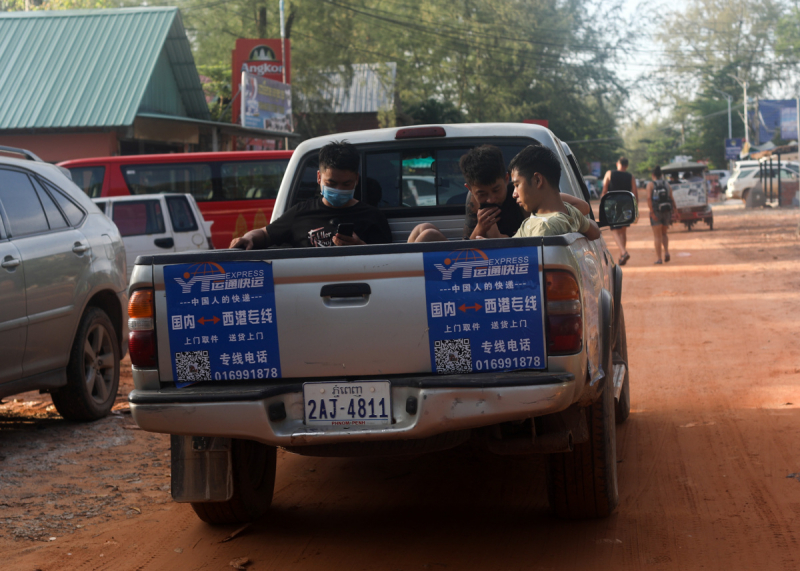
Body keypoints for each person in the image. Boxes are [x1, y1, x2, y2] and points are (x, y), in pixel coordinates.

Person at [407, 144, 591, 242]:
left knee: (426, 236)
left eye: (496, 190)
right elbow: (466, 246)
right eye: (482, 194)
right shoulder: (474, 202)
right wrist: (481, 227)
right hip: (480, 260)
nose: (491, 198)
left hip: (513, 258)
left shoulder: (522, 194)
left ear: (506, 179)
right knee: (423, 231)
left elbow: (582, 207)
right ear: (469, 189)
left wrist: (508, 239)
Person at [230, 141, 392, 249]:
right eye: (332, 183)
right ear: (319, 178)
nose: (339, 189)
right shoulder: (300, 212)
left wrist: (360, 247)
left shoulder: (373, 217)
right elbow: (266, 234)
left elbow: (388, 265)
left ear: (356, 179)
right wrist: (249, 237)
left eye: (346, 184)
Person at [509, 145, 600, 239]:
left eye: (517, 185)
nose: (514, 194)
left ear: (538, 180)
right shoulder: (570, 212)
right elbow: (595, 232)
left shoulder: (544, 229)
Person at [601, 156, 636, 265]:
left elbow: (604, 189)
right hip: (626, 204)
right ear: (627, 166)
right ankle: (622, 256)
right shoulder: (631, 176)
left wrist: (603, 204)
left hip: (613, 204)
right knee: (623, 230)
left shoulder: (609, 173)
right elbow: (634, 192)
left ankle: (623, 252)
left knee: (614, 230)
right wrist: (635, 207)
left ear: (617, 164)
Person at [645, 166, 678, 264]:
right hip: (667, 211)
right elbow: (671, 197)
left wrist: (651, 212)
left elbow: (648, 198)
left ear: (653, 175)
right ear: (661, 175)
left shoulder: (650, 185)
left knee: (657, 236)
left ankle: (659, 258)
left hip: (656, 212)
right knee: (664, 233)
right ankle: (667, 252)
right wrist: (675, 210)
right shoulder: (667, 184)